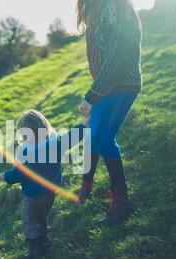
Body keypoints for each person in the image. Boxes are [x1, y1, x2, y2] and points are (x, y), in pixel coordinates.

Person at [76, 0, 143, 225]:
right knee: (91, 136)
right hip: (108, 86)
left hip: (123, 84)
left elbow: (117, 56)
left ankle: (122, 202)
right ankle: (86, 186)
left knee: (103, 138)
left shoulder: (117, 7)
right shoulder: (98, 10)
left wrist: (93, 96)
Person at [0, 110, 88, 259]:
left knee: (30, 221)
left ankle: (36, 251)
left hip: (34, 195)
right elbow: (72, 137)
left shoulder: (29, 152)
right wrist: (84, 124)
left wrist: (5, 176)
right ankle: (45, 242)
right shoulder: (56, 143)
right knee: (41, 217)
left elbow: (20, 173)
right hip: (50, 191)